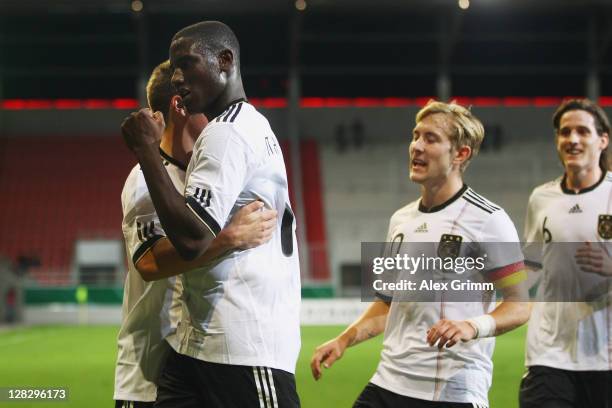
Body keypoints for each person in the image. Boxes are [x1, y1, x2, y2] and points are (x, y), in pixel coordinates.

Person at [121, 21, 301, 407]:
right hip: (200, 346)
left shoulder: (227, 133)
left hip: (242, 344)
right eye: (174, 70)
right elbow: (156, 260)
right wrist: (229, 237)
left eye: (186, 64)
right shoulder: (253, 125)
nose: (178, 78)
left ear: (224, 61)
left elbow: (190, 240)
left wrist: (146, 151)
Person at [311, 101, 530, 408]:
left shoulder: (489, 220)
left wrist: (472, 326)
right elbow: (387, 304)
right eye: (416, 135)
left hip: (450, 391)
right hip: (388, 382)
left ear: (460, 154)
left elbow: (520, 305)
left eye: (431, 139)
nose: (416, 146)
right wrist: (344, 339)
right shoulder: (401, 220)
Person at [519, 98, 612, 408]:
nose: (572, 139)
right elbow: (530, 264)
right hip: (549, 353)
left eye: (582, 132)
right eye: (565, 132)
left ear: (602, 140)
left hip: (606, 355)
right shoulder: (541, 198)